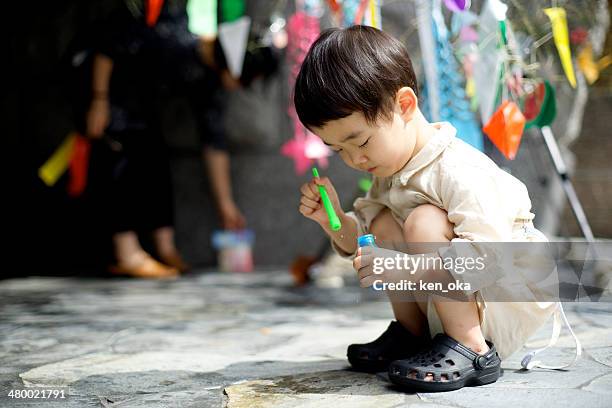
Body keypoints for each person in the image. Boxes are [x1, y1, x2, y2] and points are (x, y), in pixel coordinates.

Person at [295, 26, 556, 392]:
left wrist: (407, 267)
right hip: (460, 294)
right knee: (384, 223)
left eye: (361, 141)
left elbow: (488, 258)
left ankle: (472, 348)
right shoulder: (390, 168)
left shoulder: (457, 169)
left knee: (423, 220)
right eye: (339, 150)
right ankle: (413, 335)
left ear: (404, 105)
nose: (355, 159)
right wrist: (333, 220)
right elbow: (365, 240)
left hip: (507, 295)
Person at [86, 0, 246, 279]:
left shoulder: (211, 79)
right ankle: (127, 251)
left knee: (156, 163)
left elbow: (214, 140)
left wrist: (225, 204)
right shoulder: (174, 28)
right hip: (113, 94)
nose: (234, 85)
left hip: (145, 109)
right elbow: (107, 48)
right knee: (121, 160)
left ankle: (165, 247)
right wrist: (99, 101)